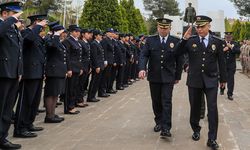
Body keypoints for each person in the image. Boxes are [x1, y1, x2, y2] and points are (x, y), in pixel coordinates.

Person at [177, 15, 227, 149]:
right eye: (197, 27)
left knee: (212, 109)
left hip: (211, 80)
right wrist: (184, 39)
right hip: (194, 80)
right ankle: (196, 129)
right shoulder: (190, 40)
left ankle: (212, 138)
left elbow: (221, 62)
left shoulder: (217, 41)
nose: (199, 29)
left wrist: (223, 79)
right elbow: (177, 53)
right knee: (195, 107)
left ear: (209, 26)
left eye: (202, 26)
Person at [139, 18, 183, 138]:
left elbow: (180, 60)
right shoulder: (150, 40)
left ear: (170, 28)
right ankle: (158, 121)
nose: (163, 30)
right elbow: (144, 55)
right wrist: (142, 68)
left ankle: (166, 128)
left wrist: (178, 75)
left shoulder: (175, 41)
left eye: (166, 28)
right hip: (154, 76)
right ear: (157, 27)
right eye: (161, 28)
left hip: (169, 77)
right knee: (156, 101)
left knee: (167, 101)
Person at [14, 14, 48, 138]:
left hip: (38, 72)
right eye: (42, 22)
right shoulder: (26, 32)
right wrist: (37, 27)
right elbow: (28, 40)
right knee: (25, 101)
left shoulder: (36, 34)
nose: (44, 25)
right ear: (36, 22)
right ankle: (20, 128)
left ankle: (28, 123)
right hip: (29, 73)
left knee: (34, 101)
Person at [0, 1, 23, 149]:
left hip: (13, 73)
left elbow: (18, 53)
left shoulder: (12, 28)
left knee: (8, 108)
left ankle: (2, 137)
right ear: (4, 13)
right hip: (2, 72)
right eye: (14, 14)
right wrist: (11, 20)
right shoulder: (4, 25)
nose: (17, 18)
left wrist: (19, 71)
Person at [43, 24, 67, 123]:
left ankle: (52, 113)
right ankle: (49, 115)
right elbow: (53, 46)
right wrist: (55, 35)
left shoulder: (59, 41)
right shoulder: (50, 40)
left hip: (58, 71)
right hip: (53, 71)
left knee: (55, 93)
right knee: (50, 93)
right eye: (62, 32)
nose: (64, 34)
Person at [62, 25, 83, 114]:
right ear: (71, 32)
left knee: (74, 87)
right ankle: (68, 107)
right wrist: (68, 69)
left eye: (78, 31)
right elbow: (67, 56)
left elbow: (79, 57)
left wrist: (80, 67)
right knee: (69, 89)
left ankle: (72, 105)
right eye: (75, 31)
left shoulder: (76, 41)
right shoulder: (67, 41)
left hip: (77, 68)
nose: (78, 33)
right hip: (71, 68)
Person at [220, 32, 241, 100]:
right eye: (227, 37)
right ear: (225, 37)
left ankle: (230, 94)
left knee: (231, 80)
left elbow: (238, 51)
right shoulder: (221, 42)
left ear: (231, 37)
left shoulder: (235, 43)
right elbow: (217, 52)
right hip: (222, 64)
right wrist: (223, 50)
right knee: (222, 78)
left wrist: (231, 47)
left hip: (231, 65)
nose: (228, 38)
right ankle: (222, 89)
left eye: (229, 37)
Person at [87, 30, 105, 102]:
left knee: (97, 81)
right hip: (97, 66)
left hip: (100, 65)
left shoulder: (98, 43)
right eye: (99, 35)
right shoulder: (94, 44)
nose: (101, 36)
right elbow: (94, 56)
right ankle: (90, 97)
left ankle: (93, 96)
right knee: (94, 81)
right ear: (95, 36)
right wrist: (97, 66)